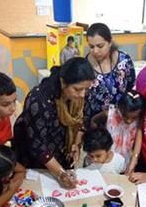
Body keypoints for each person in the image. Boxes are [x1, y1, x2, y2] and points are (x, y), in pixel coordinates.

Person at [14, 57, 95, 189]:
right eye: (77, 89)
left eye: (86, 89)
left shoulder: (82, 92)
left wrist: (76, 143)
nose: (83, 94)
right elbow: (37, 145)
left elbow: (83, 119)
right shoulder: (39, 101)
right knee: (44, 189)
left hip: (63, 150)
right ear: (63, 83)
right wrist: (60, 173)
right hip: (40, 158)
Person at [84, 23, 136, 127]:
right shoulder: (86, 66)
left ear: (110, 42)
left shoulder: (124, 60)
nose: (95, 51)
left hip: (121, 119)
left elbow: (131, 86)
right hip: (96, 121)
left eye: (100, 46)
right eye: (91, 47)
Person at [91, 90, 145, 174]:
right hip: (105, 159)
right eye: (125, 116)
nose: (129, 121)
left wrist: (134, 159)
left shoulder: (139, 121)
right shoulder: (109, 115)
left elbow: (138, 141)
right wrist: (97, 139)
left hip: (124, 159)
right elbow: (94, 120)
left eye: (133, 118)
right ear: (119, 107)